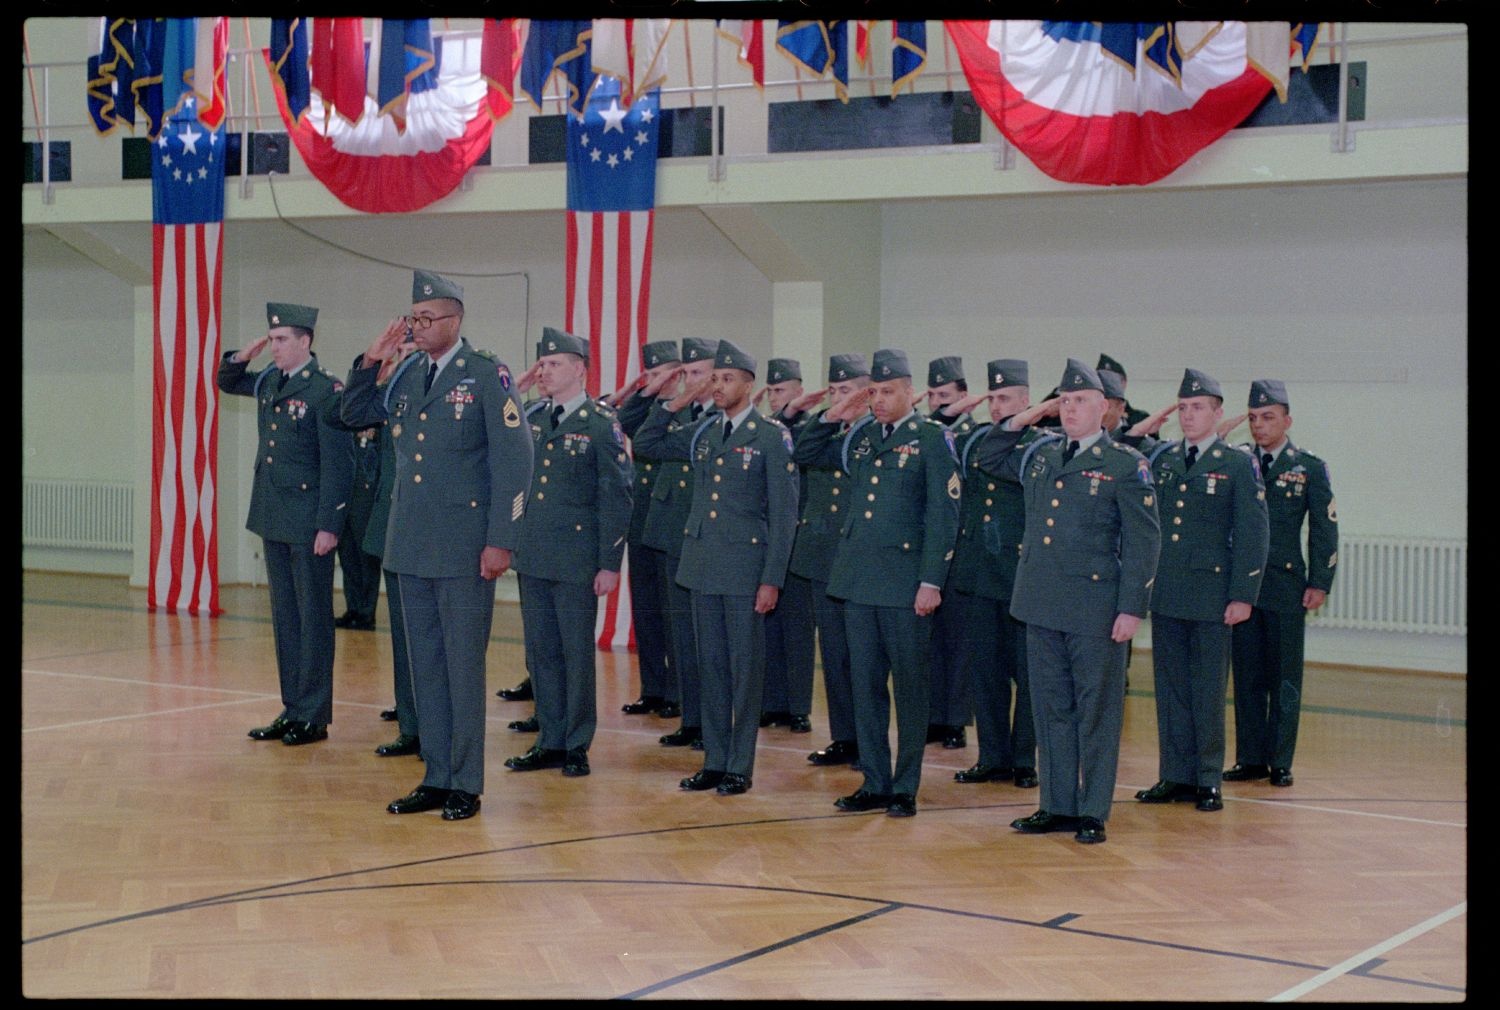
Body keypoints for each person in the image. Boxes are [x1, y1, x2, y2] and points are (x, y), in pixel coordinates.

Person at [341, 270, 534, 822]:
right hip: (411, 545)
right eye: (414, 318)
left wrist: (502, 540)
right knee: (424, 667)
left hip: (465, 547)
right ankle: (436, 774)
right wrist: (369, 362)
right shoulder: (403, 376)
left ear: (456, 320)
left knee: (461, 668)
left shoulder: (485, 374)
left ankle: (465, 783)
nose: (419, 328)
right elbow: (353, 415)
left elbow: (516, 461)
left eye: (428, 319)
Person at [979, 358, 1159, 845]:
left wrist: (1131, 608)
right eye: (1065, 401)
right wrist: (1021, 418)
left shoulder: (1124, 464)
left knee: (1095, 712)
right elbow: (988, 455)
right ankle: (1056, 804)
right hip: (1041, 601)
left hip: (1095, 606)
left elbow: (1144, 543)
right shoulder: (1040, 454)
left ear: (1104, 409)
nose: (1072, 409)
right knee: (1050, 709)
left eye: (1081, 401)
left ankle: (1093, 809)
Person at [798, 348, 960, 818]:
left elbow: (943, 517)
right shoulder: (863, 435)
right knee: (863, 685)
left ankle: (905, 784)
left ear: (911, 392)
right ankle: (874, 780)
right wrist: (837, 413)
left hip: (905, 584)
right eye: (875, 391)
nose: (881, 399)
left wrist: (932, 581)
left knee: (909, 688)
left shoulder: (932, 438)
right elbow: (806, 452)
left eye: (889, 391)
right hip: (857, 581)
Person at [638, 341, 799, 795]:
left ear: (750, 384)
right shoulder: (705, 433)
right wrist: (680, 398)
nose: (719, 386)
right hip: (703, 566)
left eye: (728, 378)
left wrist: (772, 579)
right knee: (708, 665)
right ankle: (714, 758)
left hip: (746, 570)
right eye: (715, 378)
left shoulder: (770, 436)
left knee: (743, 668)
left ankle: (739, 765)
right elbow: (648, 442)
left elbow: (784, 516)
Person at [218, 302, 352, 746]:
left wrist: (330, 524)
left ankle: (314, 715)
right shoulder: (270, 380)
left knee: (313, 618)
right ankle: (292, 707)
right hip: (275, 515)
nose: (273, 347)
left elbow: (338, 464)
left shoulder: (326, 390)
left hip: (310, 520)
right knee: (286, 619)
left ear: (304, 342)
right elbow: (228, 380)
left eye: (280, 340)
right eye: (271, 340)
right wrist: (244, 353)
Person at [1135, 368, 1268, 814]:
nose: (1189, 416)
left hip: (1213, 594)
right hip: (1169, 590)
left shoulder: (1235, 463)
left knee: (1207, 690)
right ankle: (1175, 775)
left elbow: (1253, 533)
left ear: (1218, 413)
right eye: (1185, 408)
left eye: (1198, 408)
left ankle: (1208, 778)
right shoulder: (1166, 460)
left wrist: (1243, 594)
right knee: (1170, 689)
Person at [504, 328, 633, 778]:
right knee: (541, 652)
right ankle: (550, 739)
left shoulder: (600, 423)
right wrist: (512, 393)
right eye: (541, 364)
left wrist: (608, 563)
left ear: (579, 369)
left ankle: (577, 743)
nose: (544, 371)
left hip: (577, 558)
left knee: (575, 654)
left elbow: (616, 498)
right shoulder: (534, 417)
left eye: (553, 364)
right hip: (535, 552)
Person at [1221, 379, 1338, 788]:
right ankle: (1250, 757)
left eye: (1267, 417)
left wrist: (1320, 581)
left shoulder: (1308, 466)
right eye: (1252, 418)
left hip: (1286, 585)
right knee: (1247, 675)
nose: (1258, 425)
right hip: (1243, 587)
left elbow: (1324, 528)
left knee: (1285, 677)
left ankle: (1280, 759)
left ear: (1287, 420)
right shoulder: (1237, 462)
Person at [619, 338, 722, 751]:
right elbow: (639, 436)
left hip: (706, 537)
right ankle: (689, 716)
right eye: (689, 374)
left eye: (701, 373)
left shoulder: (723, 421)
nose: (692, 382)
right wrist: (670, 398)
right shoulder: (679, 414)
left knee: (704, 635)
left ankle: (702, 714)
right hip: (669, 530)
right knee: (679, 627)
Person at [944, 359, 1041, 789]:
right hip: (981, 572)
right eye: (994, 398)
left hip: (1021, 575)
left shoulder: (1040, 444)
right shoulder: (975, 440)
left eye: (1006, 399)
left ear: (1025, 402)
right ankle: (993, 756)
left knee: (1028, 674)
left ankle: (1023, 759)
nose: (998, 406)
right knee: (985, 671)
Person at [788, 355, 871, 769]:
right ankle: (844, 737)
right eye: (834, 391)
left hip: (861, 561)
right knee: (835, 655)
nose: (840, 398)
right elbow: (800, 452)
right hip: (824, 559)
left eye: (848, 390)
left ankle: (869, 741)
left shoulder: (876, 435)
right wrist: (830, 415)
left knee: (864, 658)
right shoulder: (821, 433)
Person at [614, 341, 683, 719]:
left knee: (672, 610)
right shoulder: (650, 410)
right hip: (641, 519)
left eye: (661, 374)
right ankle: (653, 688)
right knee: (647, 608)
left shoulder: (688, 412)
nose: (655, 381)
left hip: (672, 520)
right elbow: (623, 423)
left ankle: (676, 690)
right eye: (651, 374)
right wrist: (647, 391)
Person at [367, 347, 422, 757]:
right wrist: (373, 366)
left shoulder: (437, 395)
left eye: (411, 352)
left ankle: (433, 727)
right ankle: (411, 722)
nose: (404, 358)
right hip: (393, 526)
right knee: (402, 638)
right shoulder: (388, 396)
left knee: (431, 641)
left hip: (433, 532)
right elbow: (346, 411)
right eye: (400, 351)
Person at [756, 357, 816, 735]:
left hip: (801, 538)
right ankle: (773, 701)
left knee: (797, 628)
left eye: (782, 390)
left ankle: (798, 707)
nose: (776, 397)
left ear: (799, 392)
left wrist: (791, 416)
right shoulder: (764, 431)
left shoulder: (807, 430)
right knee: (769, 627)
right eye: (772, 391)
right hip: (767, 536)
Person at [921, 355, 974, 751]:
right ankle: (933, 716)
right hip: (926, 550)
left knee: (958, 642)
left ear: (964, 397)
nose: (938, 402)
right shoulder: (926, 434)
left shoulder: (974, 435)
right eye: (933, 395)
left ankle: (955, 719)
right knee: (927, 641)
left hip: (963, 552)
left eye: (946, 395)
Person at [333, 425, 382, 631]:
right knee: (348, 555)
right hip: (346, 497)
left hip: (367, 497)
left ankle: (366, 612)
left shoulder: (376, 415)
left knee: (367, 558)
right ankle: (352, 608)